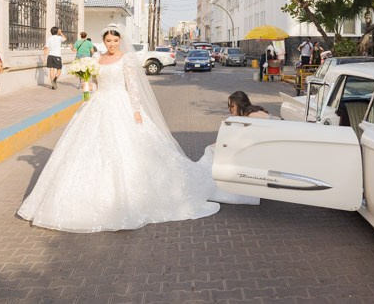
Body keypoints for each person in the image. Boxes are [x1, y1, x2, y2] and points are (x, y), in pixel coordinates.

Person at [18, 25, 238, 233]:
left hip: (120, 104)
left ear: (120, 40)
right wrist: (86, 85)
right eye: (108, 40)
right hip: (97, 103)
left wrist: (136, 111)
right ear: (103, 41)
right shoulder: (96, 58)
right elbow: (93, 83)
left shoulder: (127, 59)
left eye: (115, 40)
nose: (112, 43)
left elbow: (132, 87)